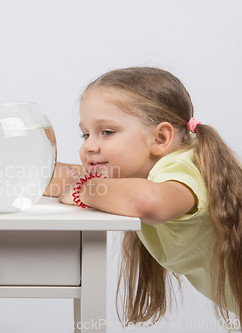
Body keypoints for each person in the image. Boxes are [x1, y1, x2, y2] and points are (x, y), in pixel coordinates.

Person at [45, 67, 242, 327]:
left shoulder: (181, 166)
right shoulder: (146, 174)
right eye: (86, 134)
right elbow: (62, 177)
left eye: (107, 132)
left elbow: (149, 203)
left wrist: (84, 190)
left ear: (160, 138)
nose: (89, 146)